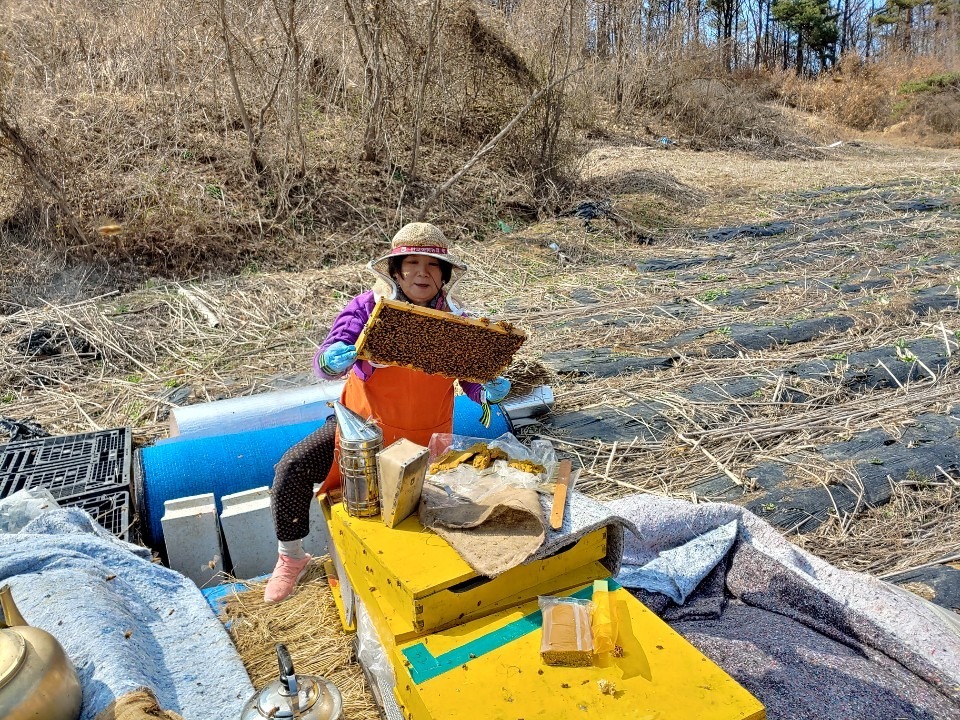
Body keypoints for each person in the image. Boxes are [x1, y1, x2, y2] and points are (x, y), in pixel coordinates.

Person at [264, 222, 511, 603]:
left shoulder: (459, 323)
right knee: (293, 467)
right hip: (361, 428)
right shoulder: (367, 307)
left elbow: (471, 379)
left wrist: (488, 392)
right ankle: (291, 557)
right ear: (396, 270)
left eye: (432, 265)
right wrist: (331, 361)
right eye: (412, 263)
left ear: (444, 275)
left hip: (423, 439)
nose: (422, 273)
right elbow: (332, 352)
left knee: (407, 526)